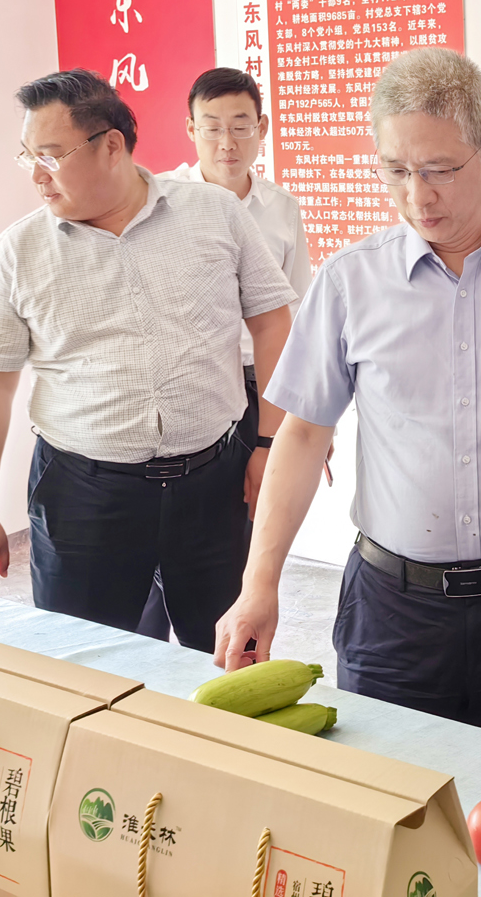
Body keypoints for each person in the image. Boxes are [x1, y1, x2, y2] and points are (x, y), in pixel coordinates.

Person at [213, 47, 481, 744]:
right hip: (393, 609)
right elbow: (304, 434)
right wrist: (260, 583)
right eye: (396, 171)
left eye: (440, 169)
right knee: (392, 791)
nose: (418, 196)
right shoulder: (351, 281)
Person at [0, 69, 295, 653]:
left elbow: (272, 323)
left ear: (111, 145)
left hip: (213, 486)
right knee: (86, 663)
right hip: (84, 495)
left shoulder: (214, 213)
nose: (37, 175)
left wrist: (268, 444)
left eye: (51, 156)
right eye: (28, 157)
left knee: (229, 656)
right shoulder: (19, 250)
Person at [134, 68, 315, 640]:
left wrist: (301, 425)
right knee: (158, 535)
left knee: (237, 529)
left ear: (263, 128)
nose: (227, 142)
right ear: (190, 130)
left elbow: (296, 319)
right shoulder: (157, 200)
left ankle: (217, 643)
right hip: (188, 386)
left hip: (261, 384)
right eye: (211, 127)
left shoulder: (282, 209)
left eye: (241, 126)